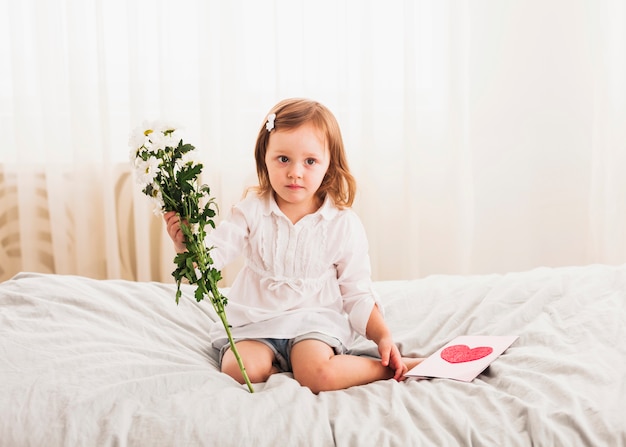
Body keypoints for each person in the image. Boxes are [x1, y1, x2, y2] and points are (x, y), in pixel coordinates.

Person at [164, 98, 421, 393]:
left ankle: (388, 369)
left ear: (329, 165)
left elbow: (357, 292)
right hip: (256, 320)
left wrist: (383, 336)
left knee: (317, 375)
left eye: (310, 161)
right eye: (283, 159)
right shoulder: (251, 211)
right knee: (239, 370)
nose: (295, 172)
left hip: (313, 320)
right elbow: (211, 261)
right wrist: (185, 246)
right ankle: (278, 363)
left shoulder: (341, 224)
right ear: (265, 159)